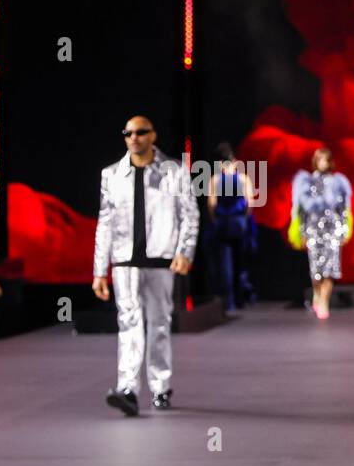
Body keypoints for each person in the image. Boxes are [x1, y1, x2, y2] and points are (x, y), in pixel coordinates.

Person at [92, 115, 198, 415]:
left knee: (160, 323)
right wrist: (100, 270)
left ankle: (161, 386)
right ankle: (127, 388)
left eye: (140, 132)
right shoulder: (111, 174)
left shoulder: (174, 171)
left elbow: (189, 214)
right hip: (125, 259)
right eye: (128, 133)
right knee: (128, 322)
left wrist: (184, 252)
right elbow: (105, 223)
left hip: (161, 258)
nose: (134, 137)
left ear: (153, 135)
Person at [290, 147, 352, 319]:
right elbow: (302, 211)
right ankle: (317, 294)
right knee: (316, 269)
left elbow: (343, 209)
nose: (323, 163)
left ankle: (324, 301)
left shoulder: (338, 183)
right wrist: (302, 232)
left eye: (325, 159)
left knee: (331, 268)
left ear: (330, 161)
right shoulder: (307, 183)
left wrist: (344, 229)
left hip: (332, 228)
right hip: (314, 229)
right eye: (320, 159)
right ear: (315, 161)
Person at [206, 142, 257, 315]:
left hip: (222, 223)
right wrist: (244, 218)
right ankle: (241, 297)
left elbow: (211, 204)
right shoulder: (243, 179)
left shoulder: (215, 179)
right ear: (234, 161)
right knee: (240, 261)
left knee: (225, 263)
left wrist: (216, 219)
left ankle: (229, 302)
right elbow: (250, 202)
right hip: (239, 223)